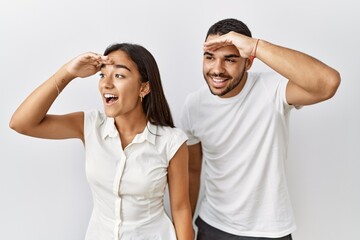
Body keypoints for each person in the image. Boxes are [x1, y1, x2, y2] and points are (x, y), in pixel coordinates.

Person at [10, 43, 194, 240]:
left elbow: (181, 209)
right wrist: (69, 72)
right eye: (102, 74)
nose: (106, 84)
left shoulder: (171, 142)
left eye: (119, 75)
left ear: (144, 87)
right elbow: (21, 123)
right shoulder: (90, 125)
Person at [180, 18, 341, 240]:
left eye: (230, 59)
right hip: (212, 226)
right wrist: (184, 225)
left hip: (269, 231)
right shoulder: (194, 105)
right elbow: (192, 171)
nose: (217, 69)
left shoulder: (272, 89)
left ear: (248, 63)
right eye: (210, 57)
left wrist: (255, 46)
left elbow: (328, 83)